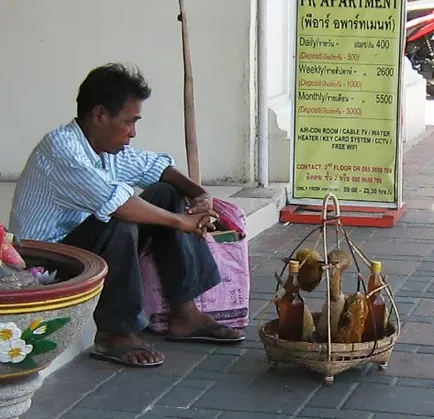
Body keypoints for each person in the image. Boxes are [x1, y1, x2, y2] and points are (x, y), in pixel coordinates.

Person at [9, 63, 245, 368]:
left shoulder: (104, 147)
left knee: (166, 192)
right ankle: (114, 334)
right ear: (99, 116)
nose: (133, 132)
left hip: (90, 247)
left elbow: (157, 167)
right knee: (119, 221)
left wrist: (198, 195)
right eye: (129, 122)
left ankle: (184, 313)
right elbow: (117, 205)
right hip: (47, 263)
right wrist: (182, 222)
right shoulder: (61, 151)